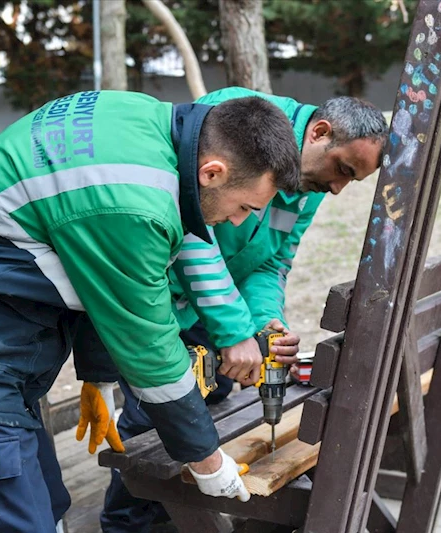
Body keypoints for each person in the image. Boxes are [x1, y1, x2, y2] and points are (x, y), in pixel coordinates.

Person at [0, 90, 301, 532]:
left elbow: (95, 272)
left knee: (47, 501)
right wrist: (207, 462)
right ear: (212, 172)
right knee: (10, 521)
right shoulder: (138, 203)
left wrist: (99, 373)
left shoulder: (145, 121)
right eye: (245, 207)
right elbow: (149, 347)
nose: (240, 222)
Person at [73, 87, 389, 533]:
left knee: (213, 400)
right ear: (319, 132)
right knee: (154, 420)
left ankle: (174, 515)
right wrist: (237, 331)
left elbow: (271, 261)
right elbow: (193, 237)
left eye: (349, 181)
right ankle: (126, 524)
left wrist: (264, 322)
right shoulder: (239, 123)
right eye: (342, 170)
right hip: (158, 303)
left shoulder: (306, 184)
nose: (337, 189)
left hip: (221, 317)